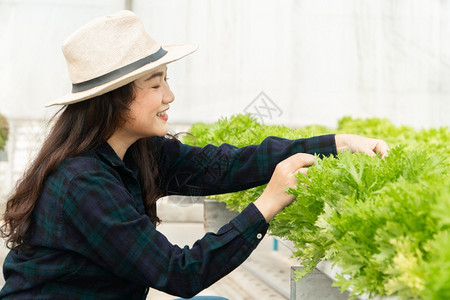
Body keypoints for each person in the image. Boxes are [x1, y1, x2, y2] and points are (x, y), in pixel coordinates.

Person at [0, 10, 388, 300]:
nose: (169, 96)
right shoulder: (82, 181)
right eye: (155, 84)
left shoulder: (140, 154)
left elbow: (225, 165)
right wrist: (266, 205)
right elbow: (178, 273)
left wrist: (336, 144)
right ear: (113, 100)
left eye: (167, 80)